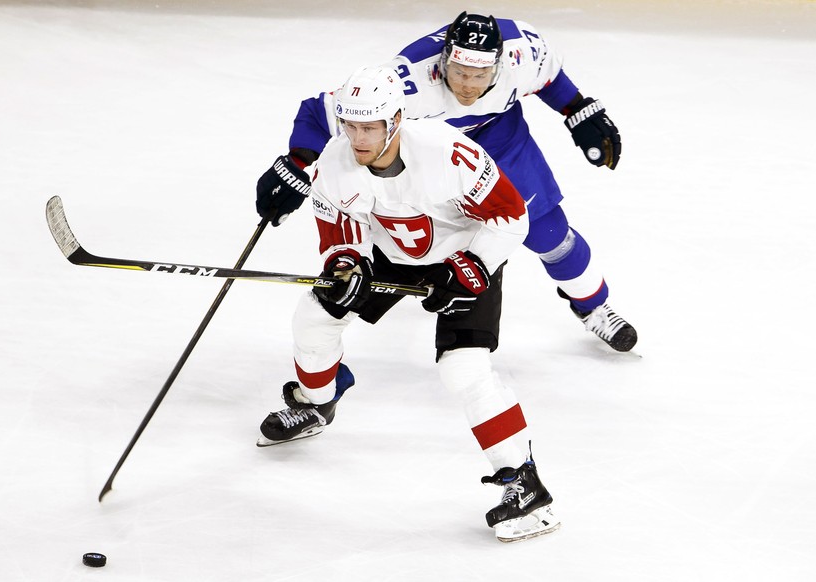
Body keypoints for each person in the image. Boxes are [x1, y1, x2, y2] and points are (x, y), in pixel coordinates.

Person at [257, 66, 560, 543]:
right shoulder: (336, 162)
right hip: (393, 253)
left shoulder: (449, 153)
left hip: (467, 252)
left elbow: (510, 215)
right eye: (350, 125)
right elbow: (341, 230)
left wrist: (473, 265)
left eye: (369, 127)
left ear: (395, 120)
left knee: (463, 369)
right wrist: (346, 267)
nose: (357, 137)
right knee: (314, 318)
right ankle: (317, 404)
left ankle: (523, 483)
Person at [255, 11, 637, 352]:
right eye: (458, 73)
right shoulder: (408, 79)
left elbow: (550, 79)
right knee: (424, 234)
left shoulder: (522, 50)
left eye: (479, 75)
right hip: (429, 151)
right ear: (443, 62)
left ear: (499, 66)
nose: (468, 86)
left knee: (547, 232)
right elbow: (318, 112)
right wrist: (296, 163)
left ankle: (594, 306)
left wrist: (578, 110)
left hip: (499, 137)